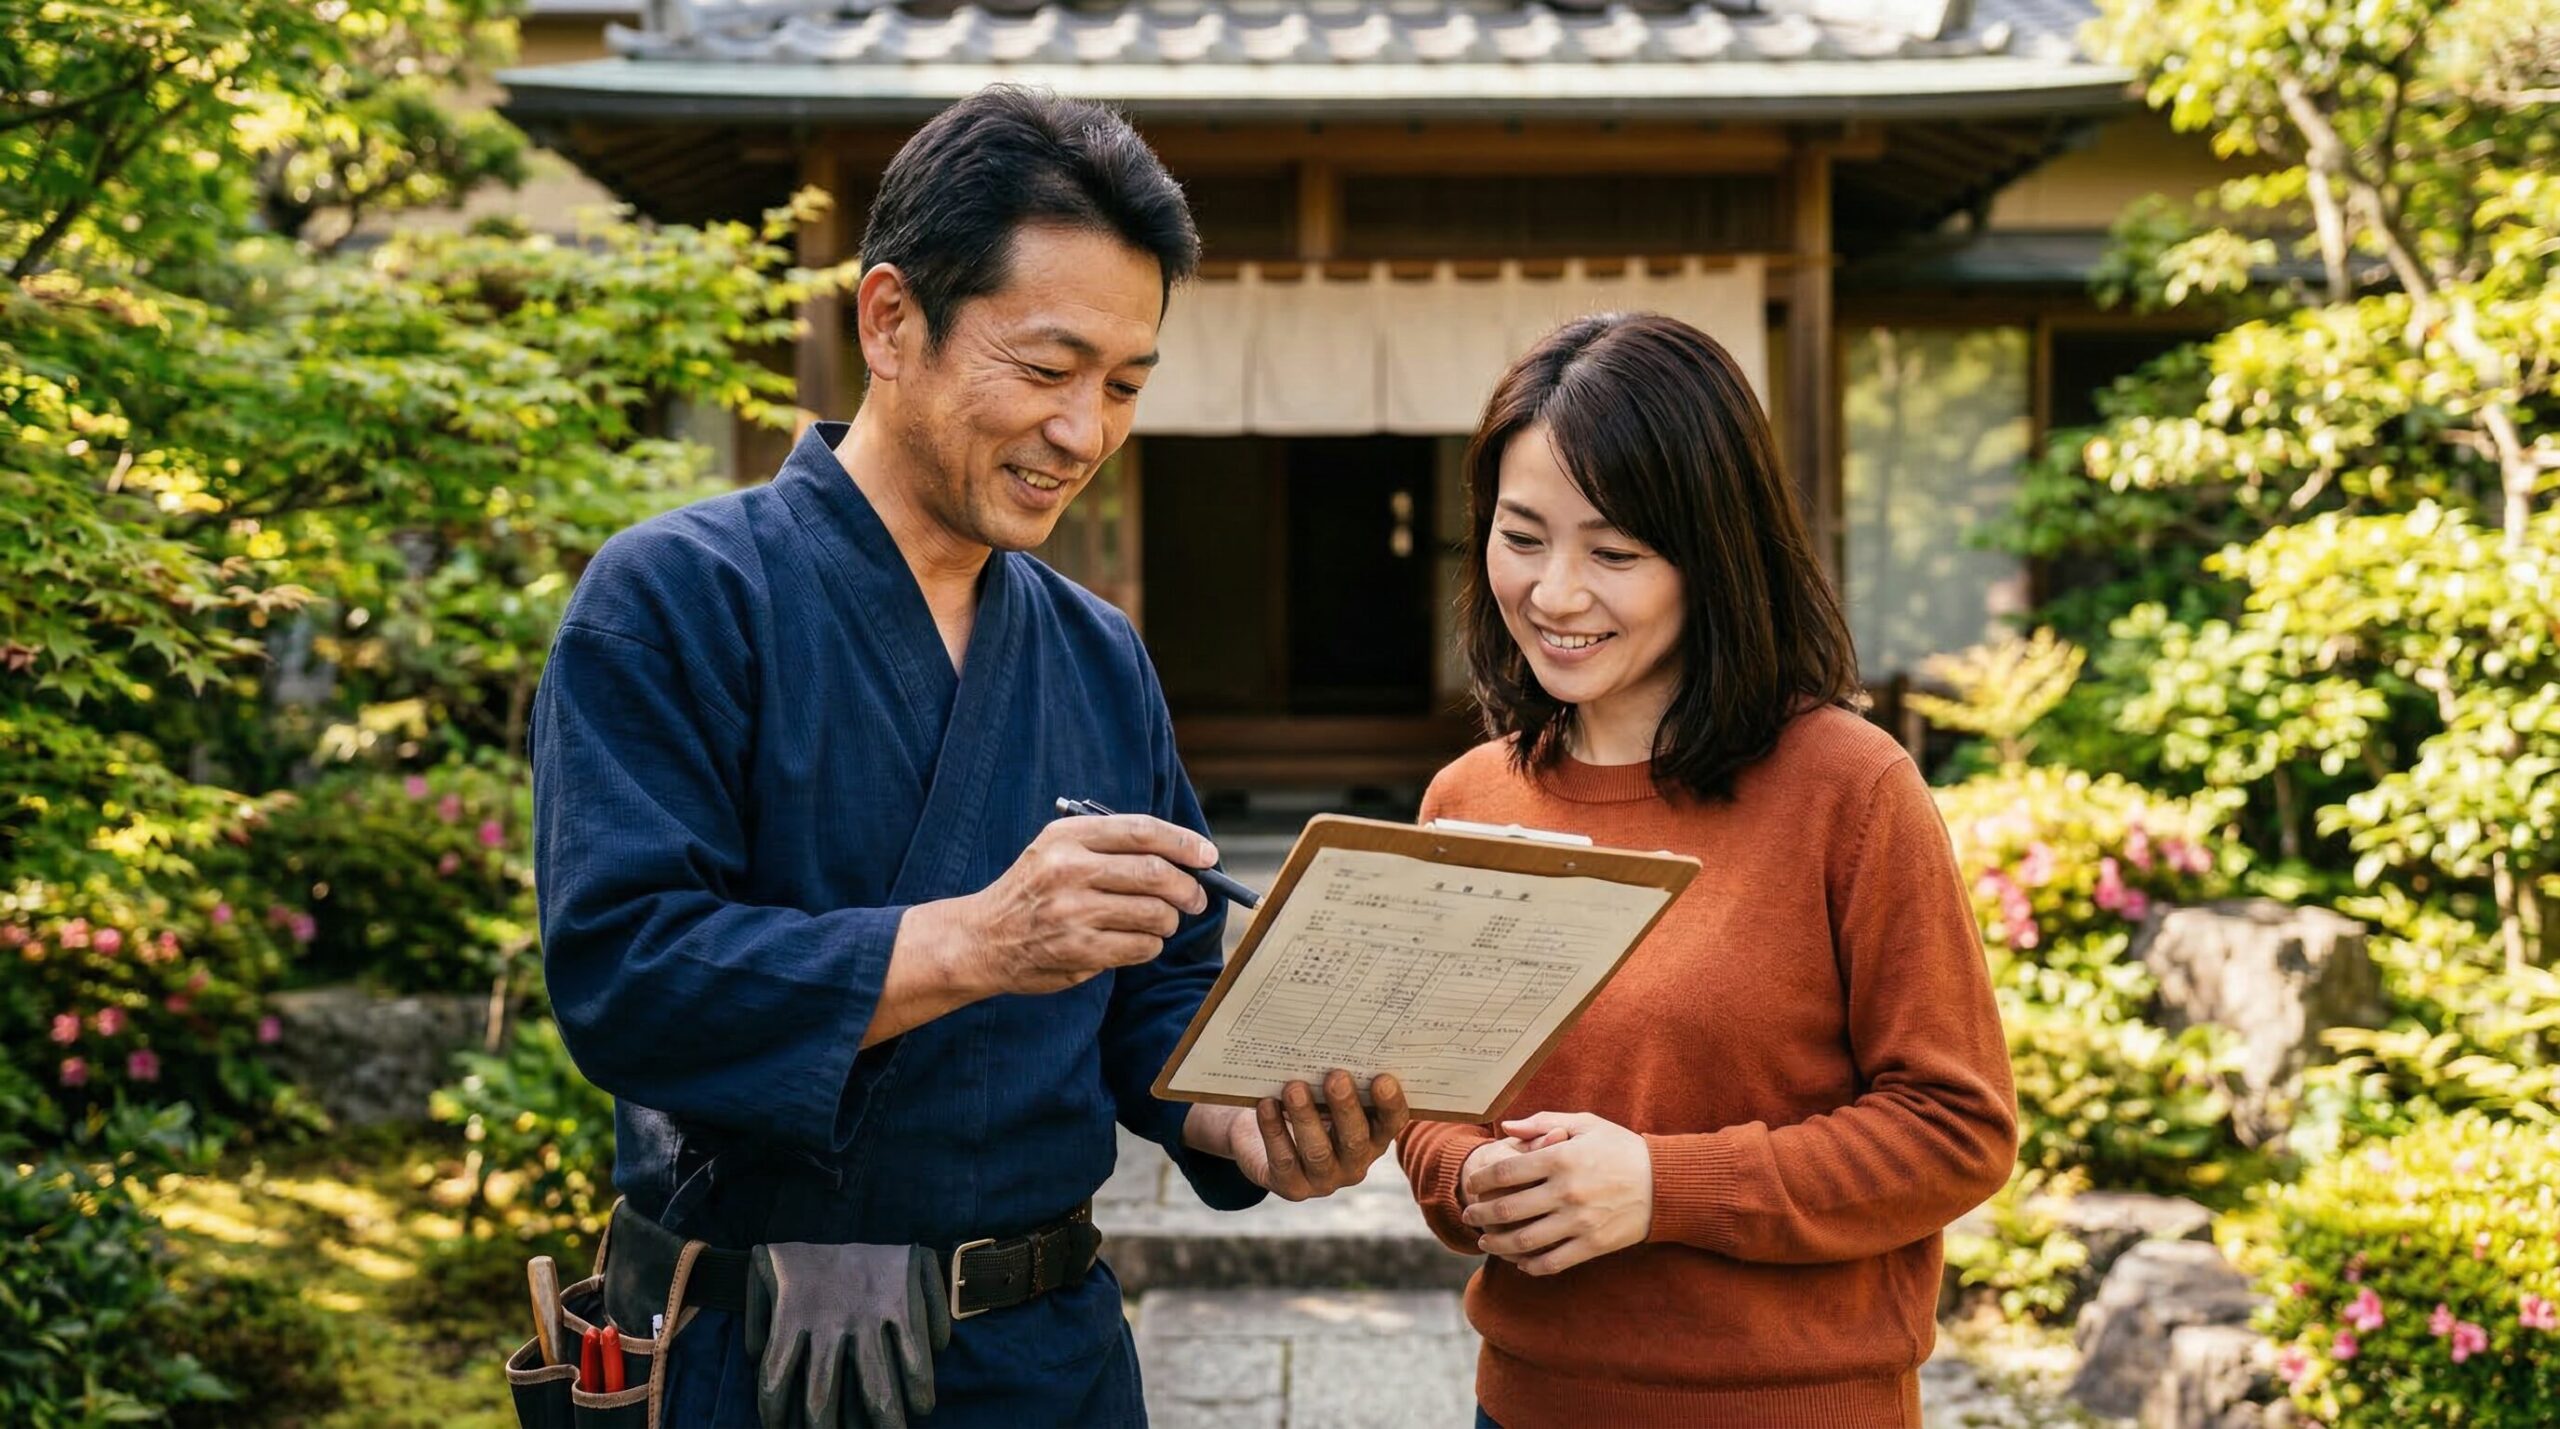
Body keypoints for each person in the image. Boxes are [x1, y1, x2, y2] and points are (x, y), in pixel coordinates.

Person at [531, 86, 1410, 1428]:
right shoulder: (672, 597)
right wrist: (979, 942)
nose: (1086, 432)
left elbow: (1159, 985)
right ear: (890, 319)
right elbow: (625, 978)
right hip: (755, 1356)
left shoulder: (1096, 651)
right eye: (1048, 369)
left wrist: (1243, 1123)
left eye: (1123, 386)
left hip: (1046, 1353)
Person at [1396, 313, 2017, 1427]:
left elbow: (1954, 1127)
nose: (1554, 593)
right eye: (1520, 535)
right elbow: (1433, 1099)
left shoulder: (1847, 787)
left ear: (1713, 553)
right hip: (1528, 1402)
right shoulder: (1467, 799)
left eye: (1615, 553)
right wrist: (1465, 1175)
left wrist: (1660, 1188)